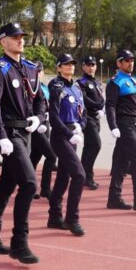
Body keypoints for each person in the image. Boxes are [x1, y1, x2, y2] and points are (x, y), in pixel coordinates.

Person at [0, 23, 46, 264]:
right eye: (15, 37)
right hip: (10, 134)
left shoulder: (30, 68)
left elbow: (40, 99)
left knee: (7, 184)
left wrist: (38, 117)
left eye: (22, 37)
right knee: (29, 184)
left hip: (25, 132)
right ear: (3, 41)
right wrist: (0, 136)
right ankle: (19, 242)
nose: (20, 40)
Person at [105, 50, 136, 212]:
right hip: (124, 124)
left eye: (132, 60)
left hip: (134, 124)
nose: (130, 63)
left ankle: (114, 198)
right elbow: (110, 105)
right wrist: (113, 126)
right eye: (126, 60)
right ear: (119, 63)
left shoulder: (134, 80)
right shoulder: (115, 82)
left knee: (121, 162)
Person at [46, 54, 87, 236]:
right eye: (66, 64)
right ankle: (72, 219)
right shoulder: (56, 87)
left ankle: (54, 217)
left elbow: (83, 111)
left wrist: (80, 126)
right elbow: (54, 117)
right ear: (59, 68)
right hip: (61, 136)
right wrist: (69, 134)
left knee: (63, 177)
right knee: (79, 175)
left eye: (72, 64)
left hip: (73, 133)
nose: (70, 67)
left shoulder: (77, 87)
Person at [29, 63, 57, 200]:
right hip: (36, 125)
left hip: (46, 124)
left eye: (40, 71)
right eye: (36, 71)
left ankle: (29, 186)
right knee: (51, 156)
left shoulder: (45, 87)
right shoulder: (30, 87)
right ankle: (45, 188)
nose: (38, 74)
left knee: (35, 156)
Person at [77, 55, 105, 190]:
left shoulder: (97, 82)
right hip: (87, 118)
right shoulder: (81, 82)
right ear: (83, 67)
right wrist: (98, 106)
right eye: (88, 65)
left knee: (88, 146)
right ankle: (88, 176)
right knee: (96, 145)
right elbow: (84, 99)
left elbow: (102, 98)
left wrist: (102, 109)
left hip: (96, 117)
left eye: (93, 65)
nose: (90, 67)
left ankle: (82, 176)